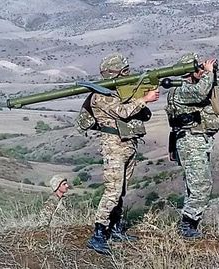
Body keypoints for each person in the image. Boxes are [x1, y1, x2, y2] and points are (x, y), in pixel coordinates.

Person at [78, 53, 160, 255]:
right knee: (112, 191)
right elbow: (122, 112)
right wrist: (144, 99)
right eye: (124, 71)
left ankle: (115, 228)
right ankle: (98, 234)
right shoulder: (100, 95)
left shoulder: (118, 92)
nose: (128, 74)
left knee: (121, 190)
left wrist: (142, 100)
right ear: (115, 73)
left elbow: (134, 113)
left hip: (128, 144)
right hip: (113, 145)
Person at [165, 52, 219, 239]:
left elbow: (215, 86)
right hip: (190, 141)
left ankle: (189, 224)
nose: (201, 70)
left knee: (195, 184)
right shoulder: (180, 90)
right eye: (197, 68)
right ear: (189, 72)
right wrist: (206, 74)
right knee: (201, 185)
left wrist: (214, 70)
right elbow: (200, 92)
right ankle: (187, 225)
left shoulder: (196, 86)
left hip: (200, 140)